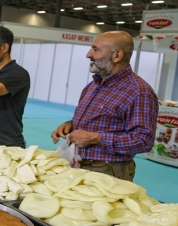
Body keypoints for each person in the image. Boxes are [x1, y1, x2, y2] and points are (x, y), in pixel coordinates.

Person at [50, 31, 158, 182]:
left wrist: (95, 138)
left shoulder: (139, 92)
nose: (88, 54)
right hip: (77, 165)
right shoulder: (93, 85)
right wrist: (70, 125)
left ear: (117, 56)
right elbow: (101, 121)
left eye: (96, 49)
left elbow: (143, 140)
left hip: (107, 172)